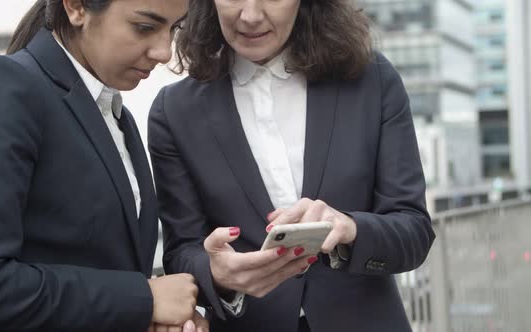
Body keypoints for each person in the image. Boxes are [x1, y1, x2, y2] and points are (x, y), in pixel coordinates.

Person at [148, 0, 436, 331]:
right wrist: (216, 273)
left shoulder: (373, 79)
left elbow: (414, 230)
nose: (251, 15)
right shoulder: (173, 112)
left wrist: (349, 228)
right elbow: (181, 251)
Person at [0, 1, 208, 332]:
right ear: (77, 7)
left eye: (174, 28)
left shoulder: (118, 117)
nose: (164, 51)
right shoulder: (3, 87)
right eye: (144, 27)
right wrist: (143, 299)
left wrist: (151, 317)